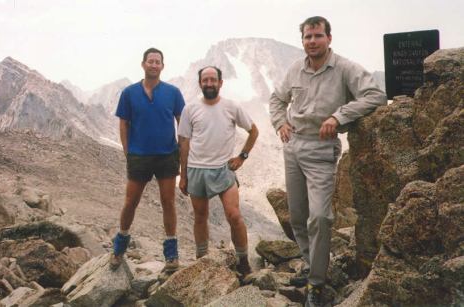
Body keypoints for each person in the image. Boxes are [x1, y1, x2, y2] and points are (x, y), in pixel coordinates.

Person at [269, 16, 387, 306]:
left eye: (317, 36)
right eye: (307, 37)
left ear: (329, 38)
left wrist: (339, 116)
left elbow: (376, 95)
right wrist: (279, 123)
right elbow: (276, 99)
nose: (312, 41)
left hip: (322, 150)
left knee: (320, 217)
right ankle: (310, 266)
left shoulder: (345, 68)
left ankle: (316, 285)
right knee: (297, 216)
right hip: (293, 147)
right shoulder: (296, 68)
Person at [177, 66, 259, 277]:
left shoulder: (231, 106)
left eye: (213, 80)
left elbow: (253, 130)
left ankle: (243, 261)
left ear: (221, 83)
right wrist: (183, 174)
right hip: (197, 169)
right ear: (200, 83)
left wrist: (242, 156)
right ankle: (202, 260)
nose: (209, 83)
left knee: (234, 215)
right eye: (205, 80)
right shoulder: (190, 109)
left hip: (224, 169)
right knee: (200, 216)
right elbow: (184, 141)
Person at [111, 47, 185, 272]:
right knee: (130, 202)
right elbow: (123, 123)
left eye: (158, 62)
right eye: (150, 61)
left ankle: (171, 256)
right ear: (143, 64)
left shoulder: (173, 92)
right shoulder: (129, 93)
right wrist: (127, 151)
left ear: (162, 66)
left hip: (166, 155)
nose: (154, 65)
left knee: (168, 202)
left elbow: (182, 123)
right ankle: (119, 248)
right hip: (139, 155)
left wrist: (182, 156)